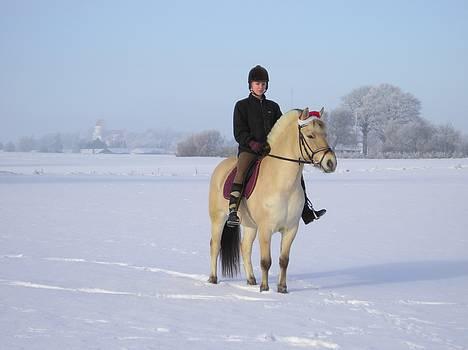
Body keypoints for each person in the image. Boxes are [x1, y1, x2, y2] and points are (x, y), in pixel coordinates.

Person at [226, 65, 326, 227]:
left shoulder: (273, 107)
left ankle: (306, 210)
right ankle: (233, 211)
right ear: (250, 85)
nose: (261, 87)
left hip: (271, 151)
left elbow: (283, 128)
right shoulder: (241, 106)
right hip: (249, 150)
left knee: (296, 173)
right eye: (257, 83)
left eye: (264, 84)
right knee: (242, 170)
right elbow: (239, 132)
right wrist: (253, 144)